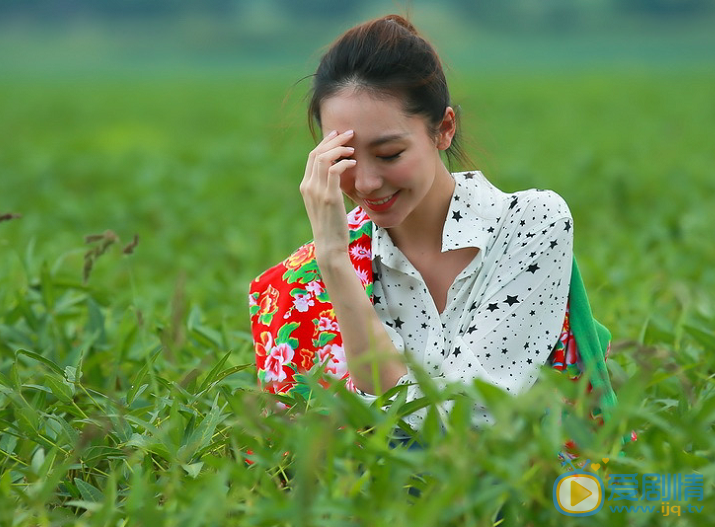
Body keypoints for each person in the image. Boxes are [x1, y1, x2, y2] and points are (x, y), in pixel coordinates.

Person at [248, 15, 617, 431]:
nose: (367, 182)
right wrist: (334, 262)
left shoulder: (529, 226)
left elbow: (475, 417)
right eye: (345, 158)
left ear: (443, 130)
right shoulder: (302, 280)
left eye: (389, 154)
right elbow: (291, 456)